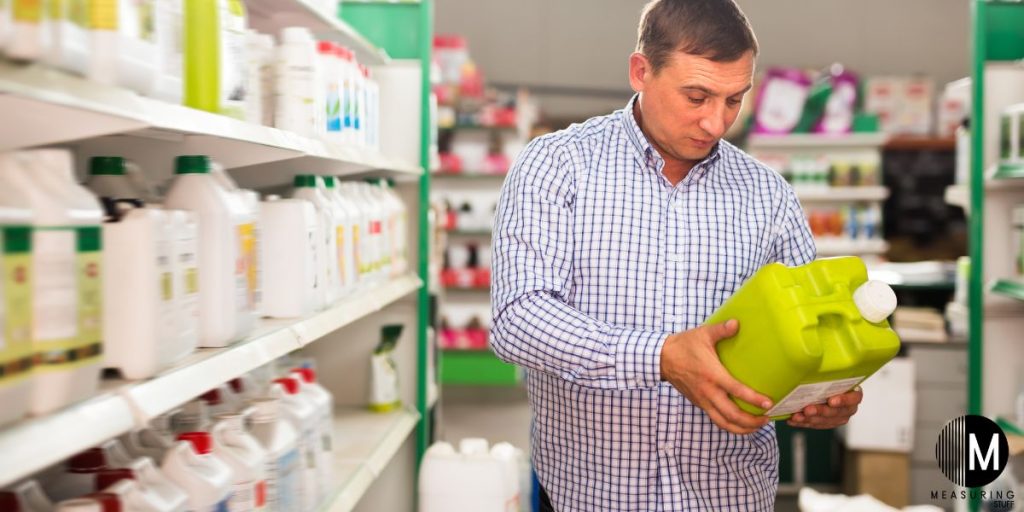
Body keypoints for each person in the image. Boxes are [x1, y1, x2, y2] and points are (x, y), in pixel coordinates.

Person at [489, 0, 864, 510]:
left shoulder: (769, 196)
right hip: (594, 493)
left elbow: (809, 330)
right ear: (640, 71)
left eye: (735, 99)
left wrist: (823, 393)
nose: (716, 122)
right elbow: (517, 320)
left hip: (729, 495)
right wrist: (661, 357)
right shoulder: (557, 166)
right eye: (697, 96)